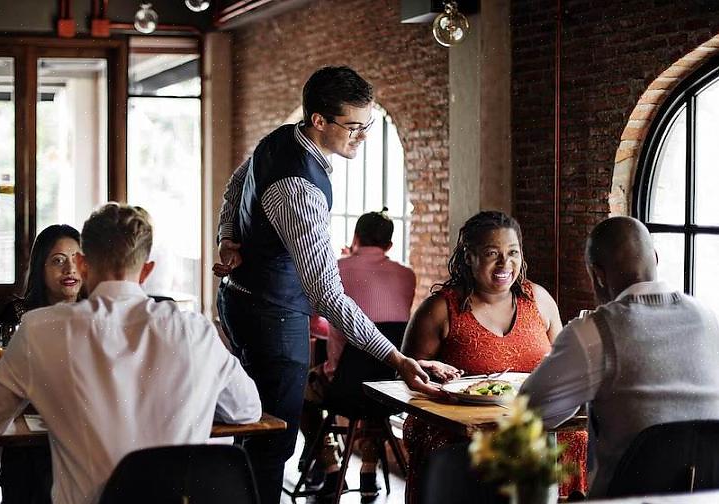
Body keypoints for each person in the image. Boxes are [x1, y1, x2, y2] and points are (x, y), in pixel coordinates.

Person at [214, 65, 458, 504]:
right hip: (273, 316)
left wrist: (227, 238)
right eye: (354, 127)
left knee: (253, 428)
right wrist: (396, 357)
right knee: (273, 443)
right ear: (319, 121)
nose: (362, 136)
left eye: (368, 126)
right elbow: (326, 293)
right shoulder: (299, 188)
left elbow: (237, 184)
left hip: (239, 300)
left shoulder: (280, 139)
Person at [0, 203, 261, 504]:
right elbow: (247, 409)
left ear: (82, 264)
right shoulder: (196, 333)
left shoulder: (41, 331)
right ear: (147, 270)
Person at [521, 216, 719, 498]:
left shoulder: (593, 332)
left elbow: (531, 410)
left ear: (597, 274)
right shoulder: (710, 318)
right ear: (655, 258)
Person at [400, 210, 586, 502]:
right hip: (460, 428)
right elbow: (407, 373)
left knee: (579, 438)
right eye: (491, 253)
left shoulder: (539, 300)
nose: (505, 263)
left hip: (532, 421)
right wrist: (429, 369)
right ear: (468, 257)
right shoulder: (440, 309)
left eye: (513, 252)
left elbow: (564, 366)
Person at [300, 208, 416, 498]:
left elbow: (316, 322)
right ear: (389, 245)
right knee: (374, 381)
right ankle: (368, 469)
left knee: (300, 392)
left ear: (355, 237)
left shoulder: (336, 269)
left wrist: (346, 261)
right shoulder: (407, 276)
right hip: (391, 390)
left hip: (344, 389)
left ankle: (329, 467)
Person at [0, 224, 85, 504]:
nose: (70, 269)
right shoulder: (19, 313)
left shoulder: (98, 312)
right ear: (40, 267)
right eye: (58, 261)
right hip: (29, 436)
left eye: (77, 259)